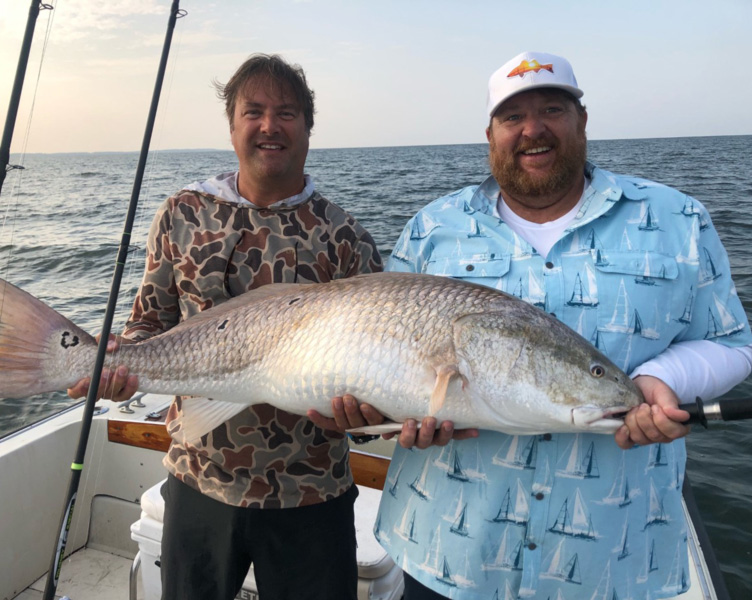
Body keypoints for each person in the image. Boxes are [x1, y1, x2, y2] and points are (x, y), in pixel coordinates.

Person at [322, 51, 752, 599]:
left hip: (613, 562)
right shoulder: (432, 227)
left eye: (552, 108)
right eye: (512, 117)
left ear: (582, 120)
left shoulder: (677, 218)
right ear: (490, 133)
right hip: (448, 554)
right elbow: (377, 355)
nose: (533, 129)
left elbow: (732, 343)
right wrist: (380, 413)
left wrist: (666, 379)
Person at [68, 54, 382, 600]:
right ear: (232, 125)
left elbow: (378, 362)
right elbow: (148, 321)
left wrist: (367, 416)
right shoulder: (182, 213)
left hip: (312, 491)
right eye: (253, 111)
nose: (269, 125)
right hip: (199, 481)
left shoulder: (346, 236)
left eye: (286, 112)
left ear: (308, 126)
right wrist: (124, 367)